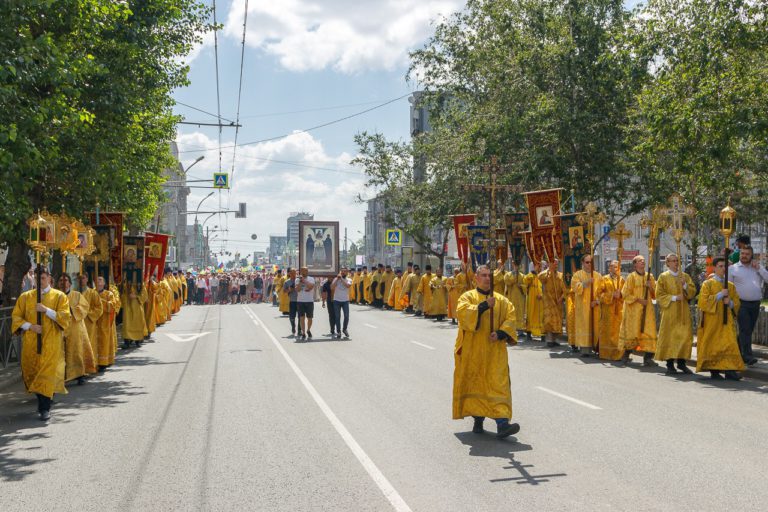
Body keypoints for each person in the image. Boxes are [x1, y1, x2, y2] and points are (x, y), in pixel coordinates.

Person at [453, 265, 520, 439]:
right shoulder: (467, 297)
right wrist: (483, 306)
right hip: (474, 352)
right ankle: (478, 420)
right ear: (476, 278)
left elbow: (511, 317)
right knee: (477, 385)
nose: (487, 278)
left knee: (498, 384)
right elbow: (462, 314)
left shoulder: (501, 300)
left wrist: (500, 333)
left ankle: (502, 424)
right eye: (483, 275)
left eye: (489, 275)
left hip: (495, 353)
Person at [11, 267, 71, 421]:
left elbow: (65, 317)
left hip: (51, 343)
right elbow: (16, 317)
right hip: (31, 343)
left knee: (46, 374)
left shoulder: (59, 296)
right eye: (37, 278)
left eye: (43, 278)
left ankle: (44, 408)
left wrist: (46, 310)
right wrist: (30, 326)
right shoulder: (25, 297)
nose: (40, 281)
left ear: (49, 278)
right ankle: (45, 397)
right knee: (33, 373)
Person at [697, 257, 744, 380]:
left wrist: (731, 303)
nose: (723, 269)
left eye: (725, 266)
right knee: (713, 344)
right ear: (714, 268)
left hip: (727, 321)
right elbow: (703, 302)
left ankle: (730, 370)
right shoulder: (707, 284)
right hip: (713, 320)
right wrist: (719, 295)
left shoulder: (730, 286)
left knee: (729, 343)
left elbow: (737, 303)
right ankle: (714, 369)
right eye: (720, 266)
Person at [654, 254, 696, 374]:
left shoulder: (685, 276)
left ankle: (682, 363)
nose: (676, 263)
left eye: (677, 260)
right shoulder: (663, 277)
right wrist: (675, 297)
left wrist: (685, 285)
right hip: (670, 311)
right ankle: (670, 364)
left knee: (684, 336)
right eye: (673, 261)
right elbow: (659, 295)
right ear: (667, 263)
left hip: (683, 311)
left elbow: (692, 292)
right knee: (670, 337)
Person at [728, 245, 767, 366]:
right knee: (745, 329)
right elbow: (728, 287)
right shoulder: (732, 269)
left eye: (747, 254)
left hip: (755, 303)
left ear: (751, 255)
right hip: (740, 303)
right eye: (742, 253)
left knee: (747, 330)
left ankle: (737, 352)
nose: (744, 256)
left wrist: (759, 268)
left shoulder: (757, 267)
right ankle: (747, 356)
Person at [618, 255, 657, 367]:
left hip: (647, 310)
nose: (643, 262)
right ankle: (626, 355)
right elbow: (625, 294)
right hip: (634, 310)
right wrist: (639, 300)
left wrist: (650, 287)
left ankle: (648, 358)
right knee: (633, 333)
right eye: (640, 261)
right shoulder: (631, 277)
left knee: (649, 332)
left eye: (643, 261)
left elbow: (655, 294)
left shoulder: (650, 276)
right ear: (635, 264)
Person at [58, 274, 96, 384]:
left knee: (77, 351)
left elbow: (84, 308)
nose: (63, 282)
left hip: (75, 328)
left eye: (65, 280)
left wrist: (71, 310)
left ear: (70, 283)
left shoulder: (77, 295)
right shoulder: (56, 296)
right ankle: (62, 375)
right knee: (61, 352)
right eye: (61, 280)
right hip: (60, 328)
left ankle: (79, 374)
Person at [571, 255, 604, 357]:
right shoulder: (577, 275)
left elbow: (602, 291)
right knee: (585, 326)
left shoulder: (598, 275)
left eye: (591, 262)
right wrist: (586, 283)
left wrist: (597, 301)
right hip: (583, 306)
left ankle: (596, 347)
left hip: (595, 306)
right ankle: (585, 349)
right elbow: (575, 287)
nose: (589, 264)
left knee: (595, 326)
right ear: (582, 263)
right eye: (587, 262)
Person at [598, 260, 625, 361]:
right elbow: (599, 294)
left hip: (619, 310)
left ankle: (619, 354)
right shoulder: (604, 279)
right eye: (613, 266)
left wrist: (620, 295)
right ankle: (606, 354)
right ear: (609, 268)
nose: (615, 269)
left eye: (617, 267)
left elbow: (626, 293)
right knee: (608, 332)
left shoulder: (622, 280)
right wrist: (611, 295)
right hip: (608, 310)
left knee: (619, 332)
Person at [78, 274, 103, 369]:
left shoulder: (92, 293)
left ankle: (90, 366)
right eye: (79, 278)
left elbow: (99, 308)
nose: (81, 280)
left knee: (89, 343)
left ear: (87, 279)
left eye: (83, 278)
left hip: (89, 322)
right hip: (77, 322)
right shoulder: (74, 292)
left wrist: (88, 313)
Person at [539, 259, 566, 347]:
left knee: (557, 321)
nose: (556, 265)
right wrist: (548, 270)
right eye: (554, 263)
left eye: (557, 264)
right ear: (549, 264)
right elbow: (540, 277)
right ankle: (549, 340)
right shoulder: (546, 274)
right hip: (548, 301)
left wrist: (561, 298)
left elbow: (565, 288)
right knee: (549, 320)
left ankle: (555, 339)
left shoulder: (560, 275)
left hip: (558, 301)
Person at [95, 276, 117, 371]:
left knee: (104, 341)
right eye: (97, 280)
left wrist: (100, 302)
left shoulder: (109, 294)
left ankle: (103, 362)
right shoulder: (92, 293)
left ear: (104, 283)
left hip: (105, 322)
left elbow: (112, 306)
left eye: (100, 280)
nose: (98, 281)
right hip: (94, 321)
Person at [121, 279, 148, 348]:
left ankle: (137, 341)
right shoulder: (125, 284)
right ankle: (127, 342)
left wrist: (136, 296)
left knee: (137, 323)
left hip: (137, 307)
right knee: (127, 324)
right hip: (127, 307)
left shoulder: (140, 284)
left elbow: (144, 296)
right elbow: (122, 294)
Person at [503, 261, 526, 339]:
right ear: (513, 265)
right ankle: (510, 330)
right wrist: (514, 276)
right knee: (511, 312)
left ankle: (520, 331)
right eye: (515, 265)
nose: (516, 266)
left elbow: (526, 286)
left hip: (519, 298)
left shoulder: (522, 276)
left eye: (518, 265)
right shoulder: (508, 274)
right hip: (511, 296)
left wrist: (521, 286)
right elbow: (507, 282)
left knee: (520, 312)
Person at [523, 261, 544, 341]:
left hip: (541, 300)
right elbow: (525, 281)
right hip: (532, 299)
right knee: (530, 314)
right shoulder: (530, 275)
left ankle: (542, 334)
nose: (539, 267)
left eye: (540, 266)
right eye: (537, 266)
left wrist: (542, 295)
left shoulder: (542, 275)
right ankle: (529, 332)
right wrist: (533, 272)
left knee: (541, 316)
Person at [332, 267, 352, 339]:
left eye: (345, 271)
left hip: (345, 301)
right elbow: (332, 287)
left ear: (347, 273)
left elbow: (347, 285)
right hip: (336, 300)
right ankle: (338, 331)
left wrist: (341, 279)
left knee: (346, 316)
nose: (343, 273)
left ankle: (344, 329)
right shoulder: (336, 279)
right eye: (342, 271)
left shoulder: (349, 279)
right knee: (337, 317)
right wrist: (337, 279)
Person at [296, 267, 315, 341]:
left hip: (309, 301)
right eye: (302, 271)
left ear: (307, 271)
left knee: (310, 318)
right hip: (300, 301)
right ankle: (303, 333)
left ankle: (308, 330)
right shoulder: (297, 279)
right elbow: (297, 289)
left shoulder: (311, 279)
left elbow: (311, 286)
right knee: (301, 318)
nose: (304, 272)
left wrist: (304, 280)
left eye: (305, 271)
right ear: (301, 272)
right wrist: (301, 282)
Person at [283, 269, 299, 335]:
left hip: (300, 301)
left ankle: (300, 330)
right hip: (292, 301)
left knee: (300, 316)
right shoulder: (287, 282)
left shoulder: (299, 280)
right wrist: (289, 290)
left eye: (294, 273)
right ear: (289, 274)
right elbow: (284, 291)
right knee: (292, 316)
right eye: (292, 273)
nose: (293, 274)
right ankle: (293, 326)